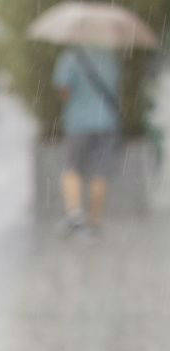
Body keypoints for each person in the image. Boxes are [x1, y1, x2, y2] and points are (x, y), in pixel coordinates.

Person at [53, 41, 124, 235]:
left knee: (72, 168)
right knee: (100, 171)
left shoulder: (70, 57)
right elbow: (116, 87)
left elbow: (64, 90)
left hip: (78, 123)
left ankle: (75, 215)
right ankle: (95, 220)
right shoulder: (110, 57)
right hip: (107, 122)